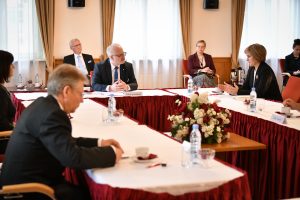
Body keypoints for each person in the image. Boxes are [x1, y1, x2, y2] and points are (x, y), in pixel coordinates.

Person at [0, 64, 124, 200]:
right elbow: (73, 157)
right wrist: (112, 154)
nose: (82, 100)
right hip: (27, 190)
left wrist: (99, 143)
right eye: (80, 94)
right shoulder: (52, 115)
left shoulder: (44, 105)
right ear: (66, 91)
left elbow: (65, 142)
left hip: (26, 180)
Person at [0, 50, 16, 156]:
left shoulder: (1, 88)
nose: (13, 67)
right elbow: (2, 125)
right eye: (11, 64)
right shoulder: (0, 92)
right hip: (3, 140)